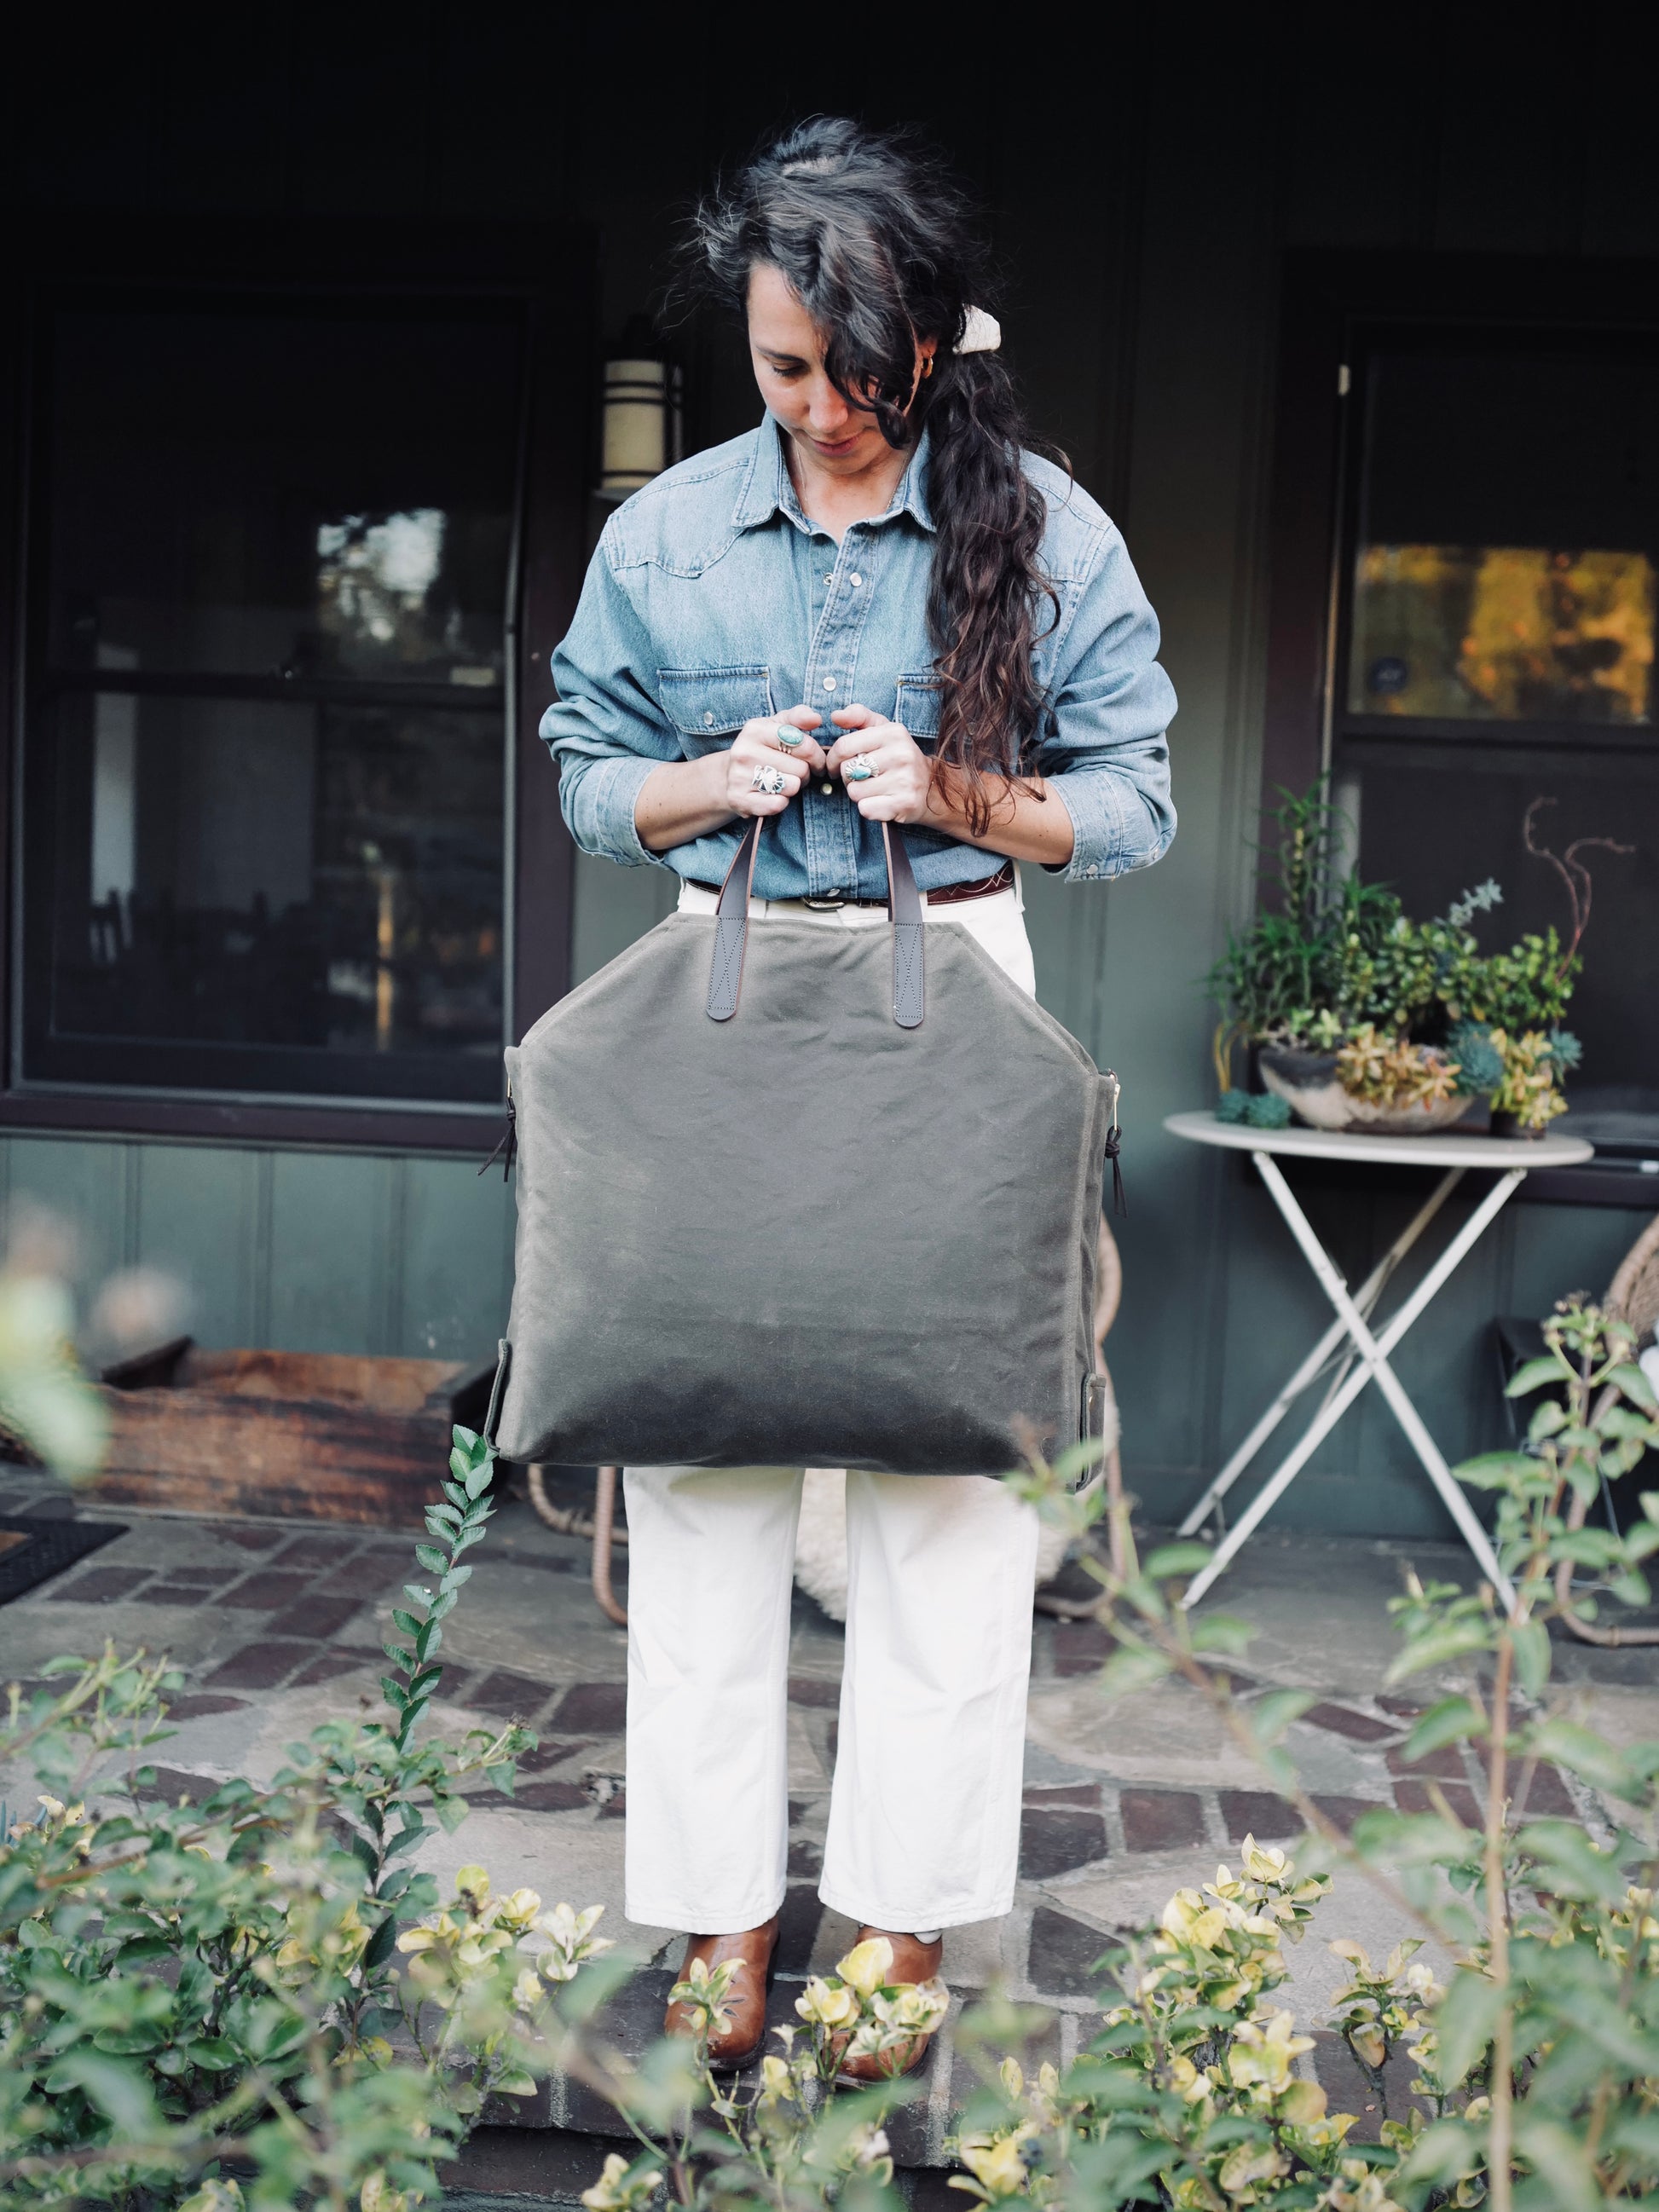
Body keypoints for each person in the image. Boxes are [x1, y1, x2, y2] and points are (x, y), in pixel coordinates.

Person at [541, 116, 1176, 2078]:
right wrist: (703, 783)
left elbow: (1136, 801)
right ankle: (724, 1910)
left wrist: (954, 790)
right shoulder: (663, 532)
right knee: (703, 1464)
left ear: (926, 335)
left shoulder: (1047, 528)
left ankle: (895, 1916)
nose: (809, 408)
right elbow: (582, 756)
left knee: (949, 1483)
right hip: (719, 996)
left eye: (841, 367)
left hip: (950, 1007)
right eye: (774, 368)